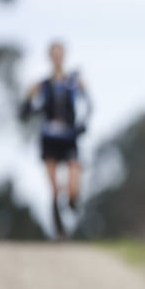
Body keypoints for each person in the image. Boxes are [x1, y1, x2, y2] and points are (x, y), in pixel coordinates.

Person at [19, 40, 91, 238]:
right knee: (54, 189)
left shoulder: (74, 83)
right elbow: (24, 113)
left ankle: (73, 203)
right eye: (54, 54)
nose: (58, 58)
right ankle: (60, 230)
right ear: (50, 57)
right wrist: (29, 98)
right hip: (49, 139)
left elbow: (89, 107)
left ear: (64, 56)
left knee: (73, 187)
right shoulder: (42, 85)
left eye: (60, 54)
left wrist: (82, 126)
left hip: (69, 138)